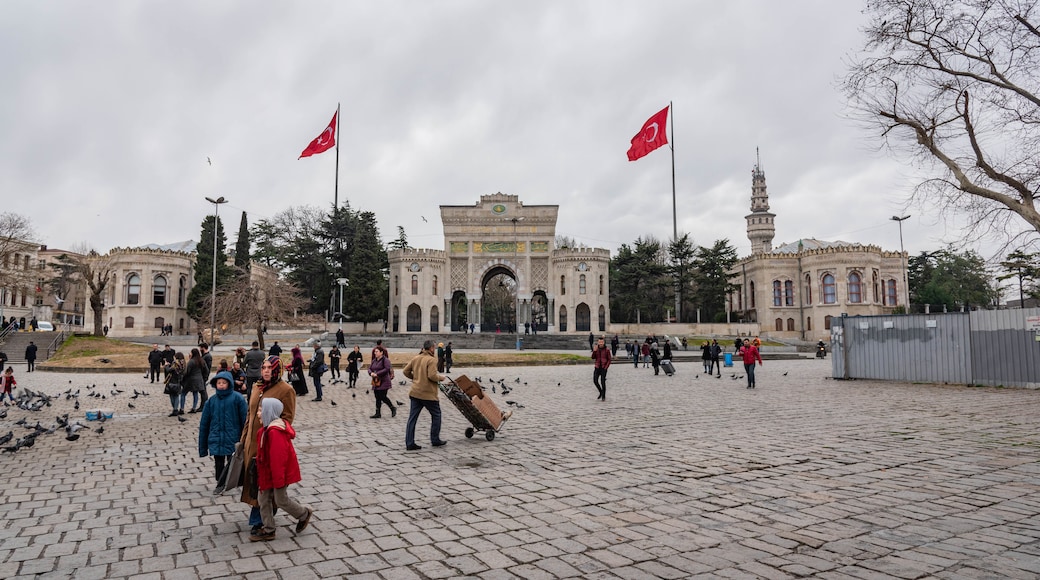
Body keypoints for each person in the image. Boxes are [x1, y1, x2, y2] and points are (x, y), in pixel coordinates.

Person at [240, 355, 297, 536]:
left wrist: (272, 429)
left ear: (277, 370)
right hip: (251, 442)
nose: (265, 371)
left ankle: (261, 520)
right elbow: (250, 414)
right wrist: (243, 439)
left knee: (262, 483)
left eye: (269, 368)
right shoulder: (257, 387)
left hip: (268, 443)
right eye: (263, 367)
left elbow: (287, 419)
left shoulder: (286, 390)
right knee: (253, 481)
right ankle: (263, 516)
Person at [250, 397, 312, 542]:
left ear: (268, 412)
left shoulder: (274, 432)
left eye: (260, 411)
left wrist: (278, 480)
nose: (258, 413)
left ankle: (303, 514)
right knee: (263, 499)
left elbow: (279, 460)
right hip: (268, 473)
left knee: (280, 499)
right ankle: (269, 529)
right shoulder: (266, 430)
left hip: (279, 474)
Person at [198, 370, 248, 491]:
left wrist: (245, 438)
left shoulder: (238, 398)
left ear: (229, 384)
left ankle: (233, 480)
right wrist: (203, 447)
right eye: (219, 382)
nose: (221, 385)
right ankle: (220, 482)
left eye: (224, 382)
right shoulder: (211, 401)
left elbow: (245, 420)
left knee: (232, 461)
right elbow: (204, 424)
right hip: (216, 437)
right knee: (218, 462)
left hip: (233, 436)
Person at [402, 340, 447, 451]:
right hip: (428, 394)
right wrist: (441, 377)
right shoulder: (431, 360)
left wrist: (415, 378)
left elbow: (405, 371)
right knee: (436, 414)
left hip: (415, 392)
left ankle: (409, 442)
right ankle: (435, 439)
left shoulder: (416, 358)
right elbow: (432, 376)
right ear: (431, 348)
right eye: (434, 348)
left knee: (412, 418)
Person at [368, 347, 395, 418]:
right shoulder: (374, 360)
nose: (375, 353)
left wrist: (378, 373)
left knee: (382, 396)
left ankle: (392, 407)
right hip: (376, 381)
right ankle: (378, 413)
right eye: (375, 352)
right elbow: (370, 368)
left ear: (381, 352)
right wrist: (371, 373)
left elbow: (386, 369)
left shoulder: (385, 360)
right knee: (377, 396)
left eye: (377, 352)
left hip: (384, 381)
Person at [184, 348, 207, 413]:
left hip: (191, 380)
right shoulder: (201, 360)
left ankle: (182, 408)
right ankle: (194, 407)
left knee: (183, 393)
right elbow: (206, 370)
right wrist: (204, 378)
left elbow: (187, 371)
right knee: (195, 393)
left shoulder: (191, 361)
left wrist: (183, 378)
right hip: (199, 379)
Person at [592, 336, 611, 401]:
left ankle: (603, 396)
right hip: (597, 366)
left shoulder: (607, 350)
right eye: (599, 342)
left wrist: (606, 367)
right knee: (595, 380)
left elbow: (609, 359)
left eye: (602, 342)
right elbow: (593, 357)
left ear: (604, 342)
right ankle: (600, 391)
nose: (600, 343)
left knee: (603, 382)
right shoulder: (596, 349)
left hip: (603, 367)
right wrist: (594, 351)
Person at [199, 343, 213, 410]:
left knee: (203, 391)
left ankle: (204, 405)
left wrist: (205, 376)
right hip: (202, 375)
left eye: (200, 348)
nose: (200, 349)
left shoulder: (208, 356)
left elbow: (208, 367)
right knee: (202, 391)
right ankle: (203, 404)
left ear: (203, 348)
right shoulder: (204, 355)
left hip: (203, 376)